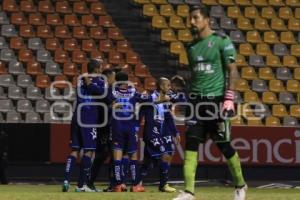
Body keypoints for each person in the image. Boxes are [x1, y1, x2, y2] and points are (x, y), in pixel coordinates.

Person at [173, 5, 247, 200]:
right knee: (191, 145)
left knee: (223, 145)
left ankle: (240, 185)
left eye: (196, 18)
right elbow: (198, 75)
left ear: (207, 20)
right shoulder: (190, 47)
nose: (192, 22)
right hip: (196, 103)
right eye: (190, 18)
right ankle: (189, 192)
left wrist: (229, 97)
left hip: (216, 102)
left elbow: (232, 70)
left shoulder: (222, 41)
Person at [62, 59, 105, 192]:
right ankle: (82, 185)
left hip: (77, 115)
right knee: (89, 150)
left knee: (74, 150)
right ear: (97, 69)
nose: (102, 69)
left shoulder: (81, 79)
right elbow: (102, 94)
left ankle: (66, 180)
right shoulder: (99, 80)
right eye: (101, 66)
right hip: (89, 116)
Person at [139, 77, 183, 193]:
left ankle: (137, 182)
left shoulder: (167, 100)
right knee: (164, 155)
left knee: (154, 159)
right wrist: (136, 128)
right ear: (161, 86)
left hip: (163, 131)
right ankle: (163, 185)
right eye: (168, 86)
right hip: (152, 131)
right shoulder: (151, 98)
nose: (170, 88)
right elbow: (141, 112)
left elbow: (168, 117)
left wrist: (175, 132)